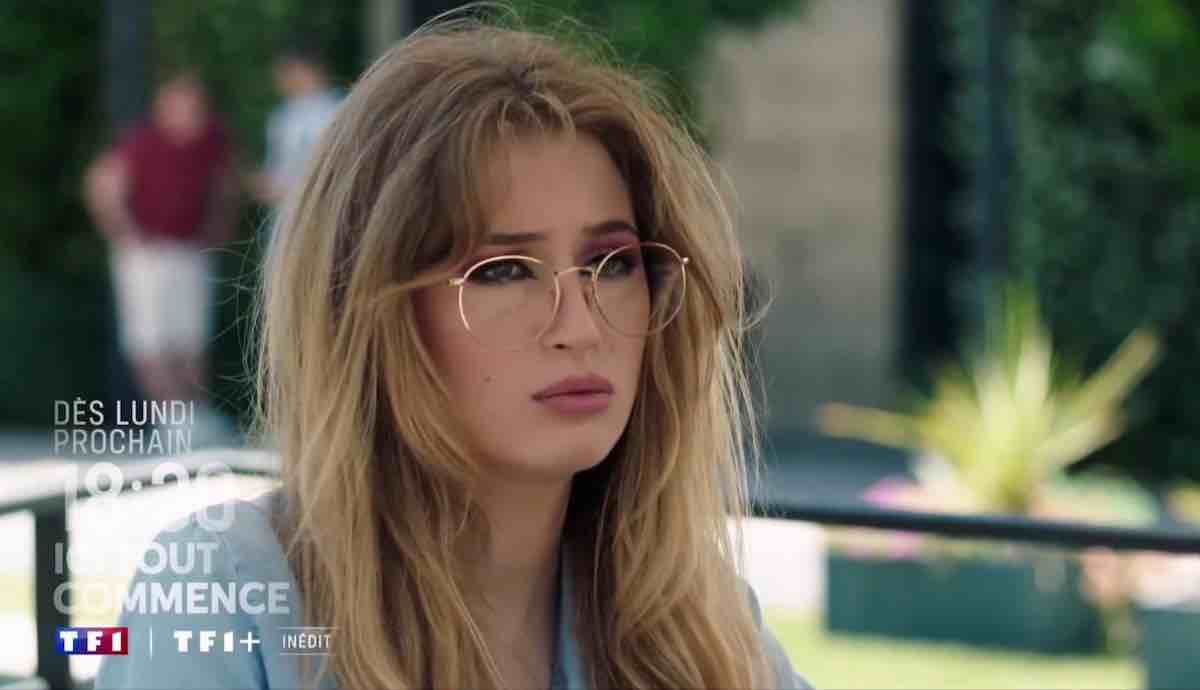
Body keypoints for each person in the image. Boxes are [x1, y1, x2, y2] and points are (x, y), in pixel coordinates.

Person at [95, 12, 812, 690]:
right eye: (504, 271)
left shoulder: (701, 625)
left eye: (612, 263)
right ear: (370, 314)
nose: (581, 325)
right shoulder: (228, 596)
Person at [83, 71, 238, 443]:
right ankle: (171, 418)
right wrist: (125, 233)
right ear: (163, 108)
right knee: (150, 340)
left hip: (190, 251)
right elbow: (102, 184)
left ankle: (196, 416)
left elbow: (224, 186)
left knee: (191, 339)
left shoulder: (212, 141)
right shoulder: (142, 142)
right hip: (146, 255)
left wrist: (217, 227)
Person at [249, 40, 343, 207]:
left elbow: (336, 171)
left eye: (287, 72)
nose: (280, 81)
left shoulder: (337, 110)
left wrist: (290, 187)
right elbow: (277, 169)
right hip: (287, 211)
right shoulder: (281, 116)